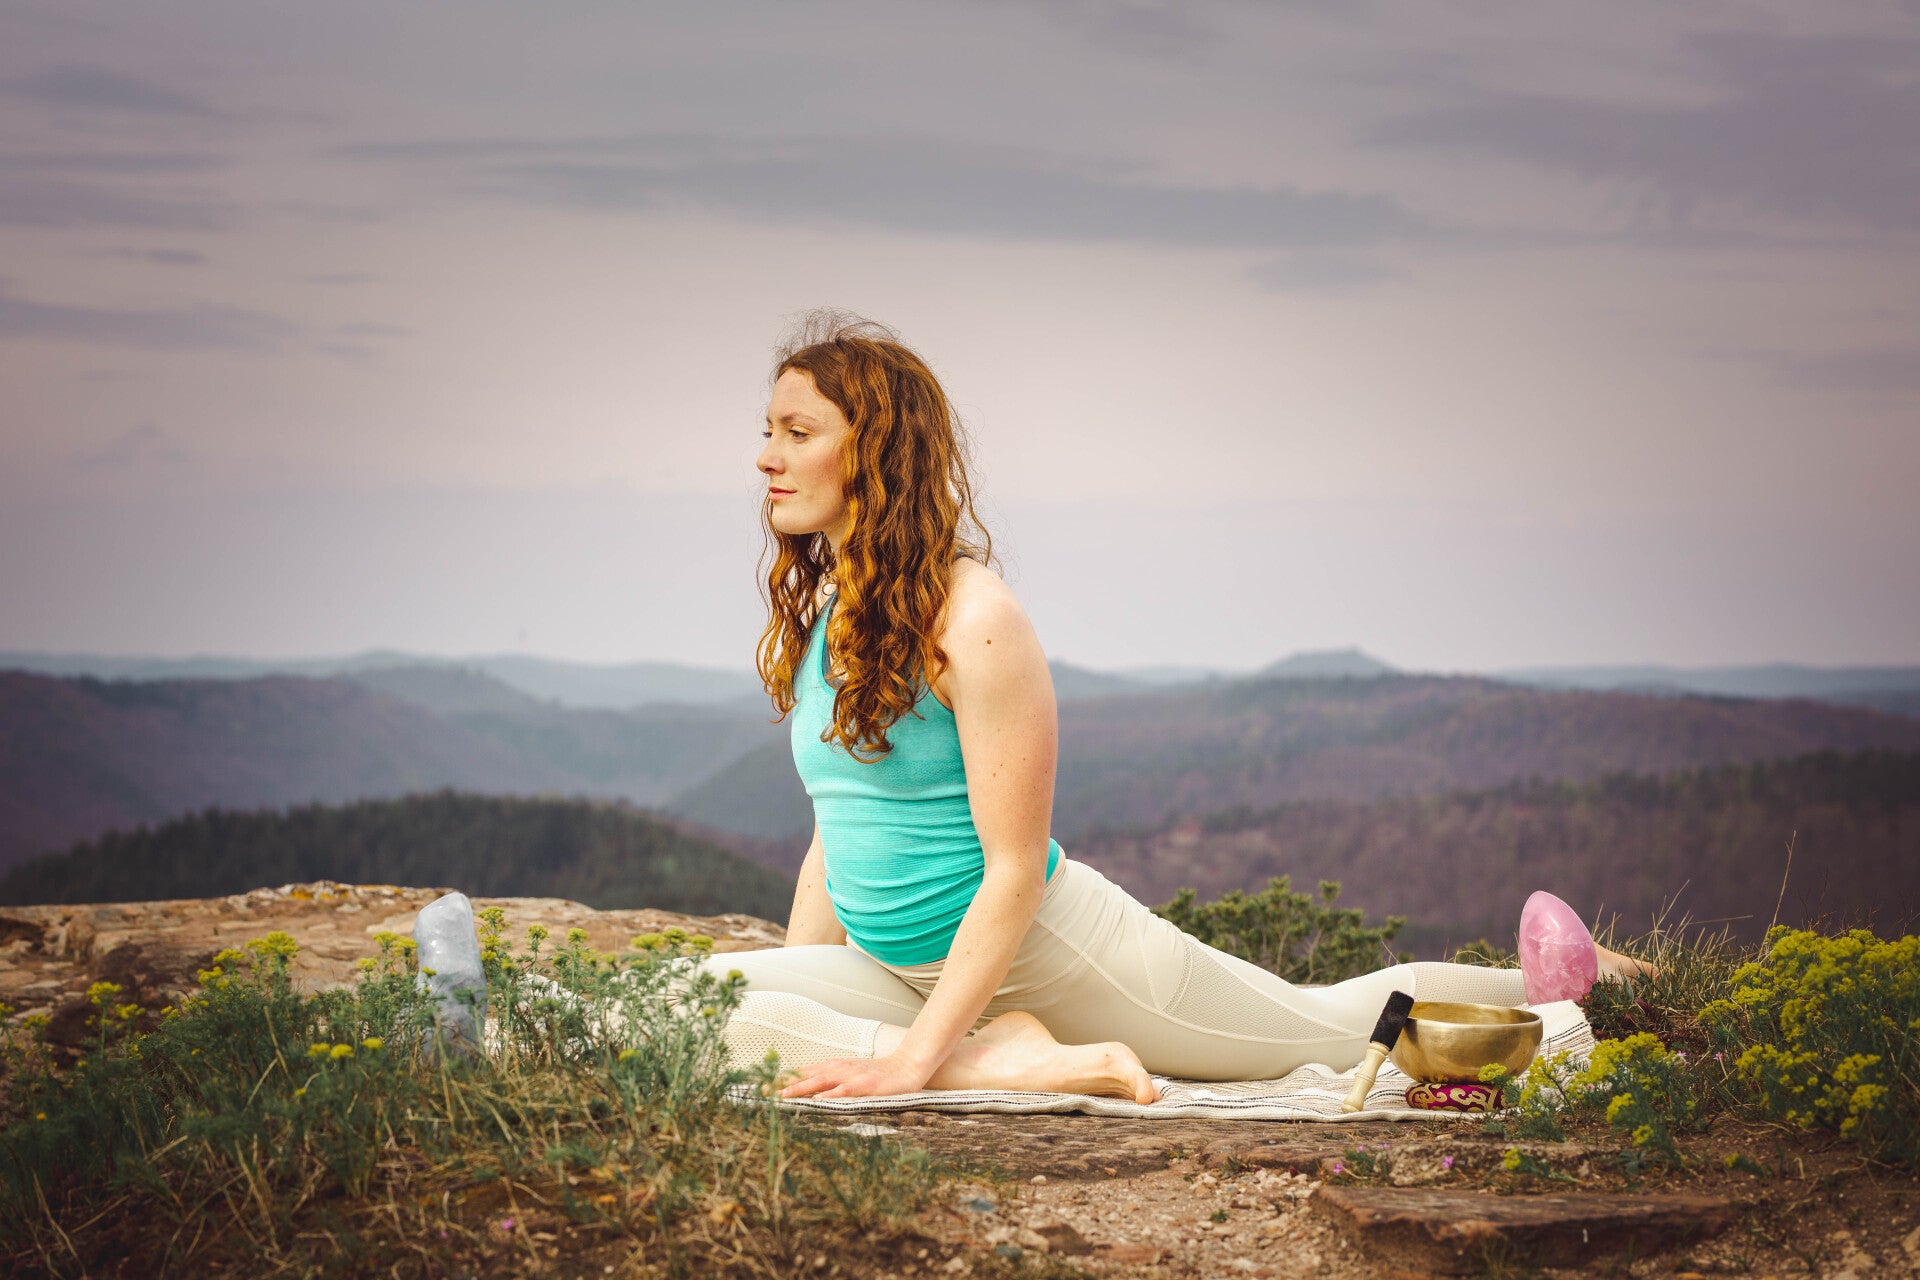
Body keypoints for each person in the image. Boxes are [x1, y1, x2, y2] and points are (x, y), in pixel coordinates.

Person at [698, 311, 1650, 1104]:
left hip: (1054, 957)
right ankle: (997, 1059)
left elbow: (1017, 872)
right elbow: (839, 825)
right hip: (902, 974)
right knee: (680, 1003)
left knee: (1315, 1024)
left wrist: (909, 1064)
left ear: (878, 452)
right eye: (770, 430)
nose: (765, 457)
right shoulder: (836, 611)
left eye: (797, 431)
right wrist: (808, 990)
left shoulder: (976, 620)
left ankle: (1581, 991)